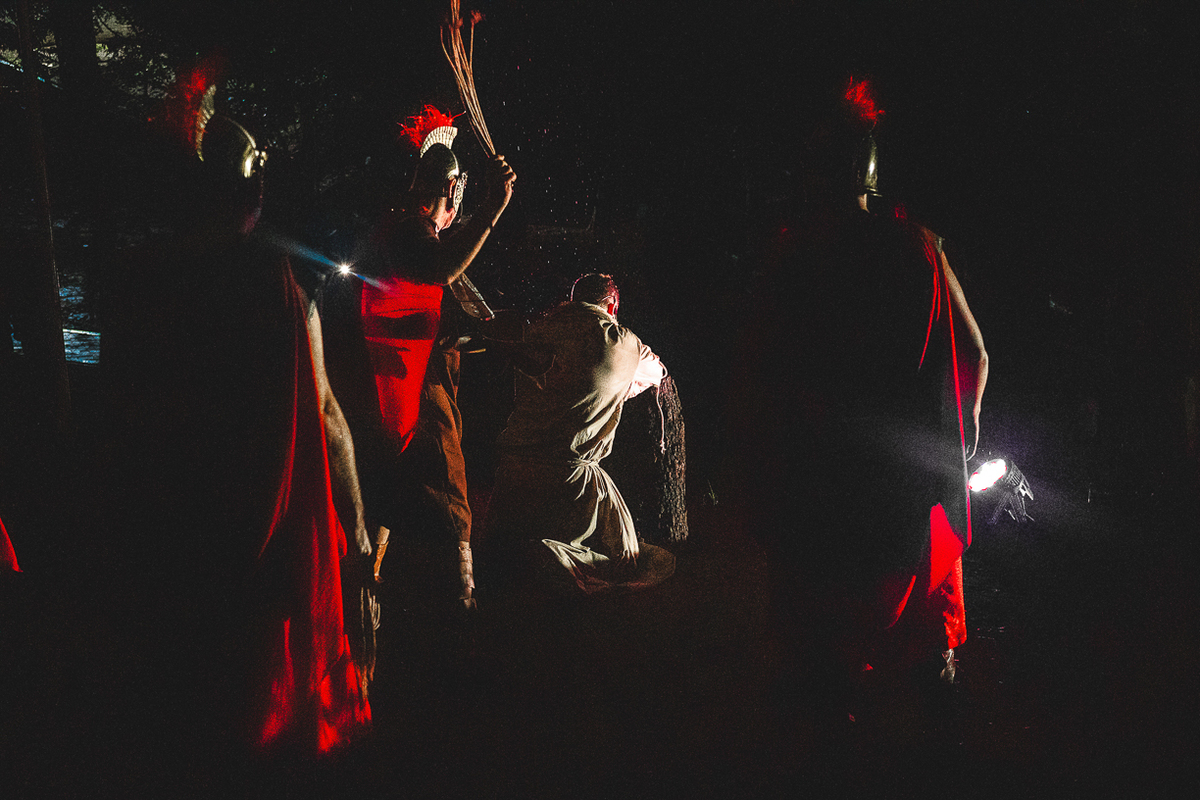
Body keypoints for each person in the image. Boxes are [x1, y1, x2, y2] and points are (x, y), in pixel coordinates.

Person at [101, 69, 373, 768]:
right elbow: (325, 412)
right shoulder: (280, 285)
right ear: (247, 189)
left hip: (170, 524)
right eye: (256, 174)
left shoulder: (134, 279)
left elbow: (120, 417)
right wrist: (356, 531)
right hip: (257, 521)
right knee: (254, 699)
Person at [739, 78, 988, 697]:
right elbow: (975, 354)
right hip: (906, 484)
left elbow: (760, 374)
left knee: (822, 658)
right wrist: (958, 442)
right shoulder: (920, 248)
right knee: (924, 637)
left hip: (818, 485)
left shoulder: (791, 257)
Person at [322, 106, 515, 611]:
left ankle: (368, 590)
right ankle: (453, 600)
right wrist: (491, 211)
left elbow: (416, 302)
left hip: (390, 392)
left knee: (385, 495)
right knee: (419, 490)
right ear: (451, 190)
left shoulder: (400, 230)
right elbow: (441, 270)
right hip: (384, 399)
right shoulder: (411, 232)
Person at [483, 273, 676, 595]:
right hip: (570, 484)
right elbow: (657, 371)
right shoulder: (622, 342)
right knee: (622, 560)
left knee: (502, 554)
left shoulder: (539, 329)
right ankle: (547, 558)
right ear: (612, 306)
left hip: (513, 473)